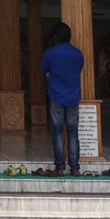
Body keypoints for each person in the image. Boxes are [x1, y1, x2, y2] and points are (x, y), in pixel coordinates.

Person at [41, 22, 84, 175]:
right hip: (73, 96)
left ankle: (59, 167)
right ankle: (75, 167)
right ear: (69, 36)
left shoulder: (50, 53)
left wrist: (50, 74)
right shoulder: (78, 53)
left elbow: (43, 70)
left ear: (56, 37)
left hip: (56, 96)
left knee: (57, 131)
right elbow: (78, 70)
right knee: (73, 132)